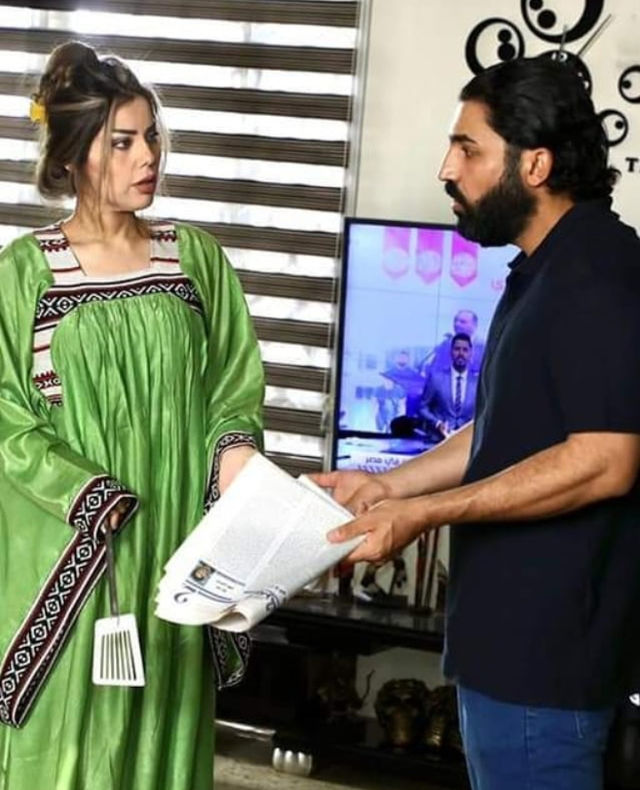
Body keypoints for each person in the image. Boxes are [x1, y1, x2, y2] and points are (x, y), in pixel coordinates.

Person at [313, 56, 640, 790]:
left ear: (535, 165)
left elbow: (605, 459)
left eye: (468, 149)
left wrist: (423, 514)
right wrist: (388, 486)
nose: (446, 169)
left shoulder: (596, 276)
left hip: (545, 667)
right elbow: (504, 428)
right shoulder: (544, 268)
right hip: (508, 653)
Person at [0, 42, 264, 790]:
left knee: (163, 736)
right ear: (75, 154)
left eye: (151, 136)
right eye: (122, 142)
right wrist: (86, 494)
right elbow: (6, 416)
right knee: (67, 750)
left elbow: (231, 386)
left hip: (178, 546)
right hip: (78, 555)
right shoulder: (26, 273)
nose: (148, 155)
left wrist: (235, 453)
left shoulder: (195, 261)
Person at [418, 333, 477, 441]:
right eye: (457, 349)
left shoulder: (477, 383)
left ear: (470, 353)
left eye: (465, 350)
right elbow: (422, 408)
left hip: (467, 442)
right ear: (451, 352)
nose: (461, 353)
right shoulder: (436, 378)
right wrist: (437, 423)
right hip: (438, 441)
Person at [428, 309, 485, 375]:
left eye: (462, 322)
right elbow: (434, 368)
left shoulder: (483, 347)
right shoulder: (445, 345)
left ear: (474, 325)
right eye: (455, 321)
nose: (457, 324)